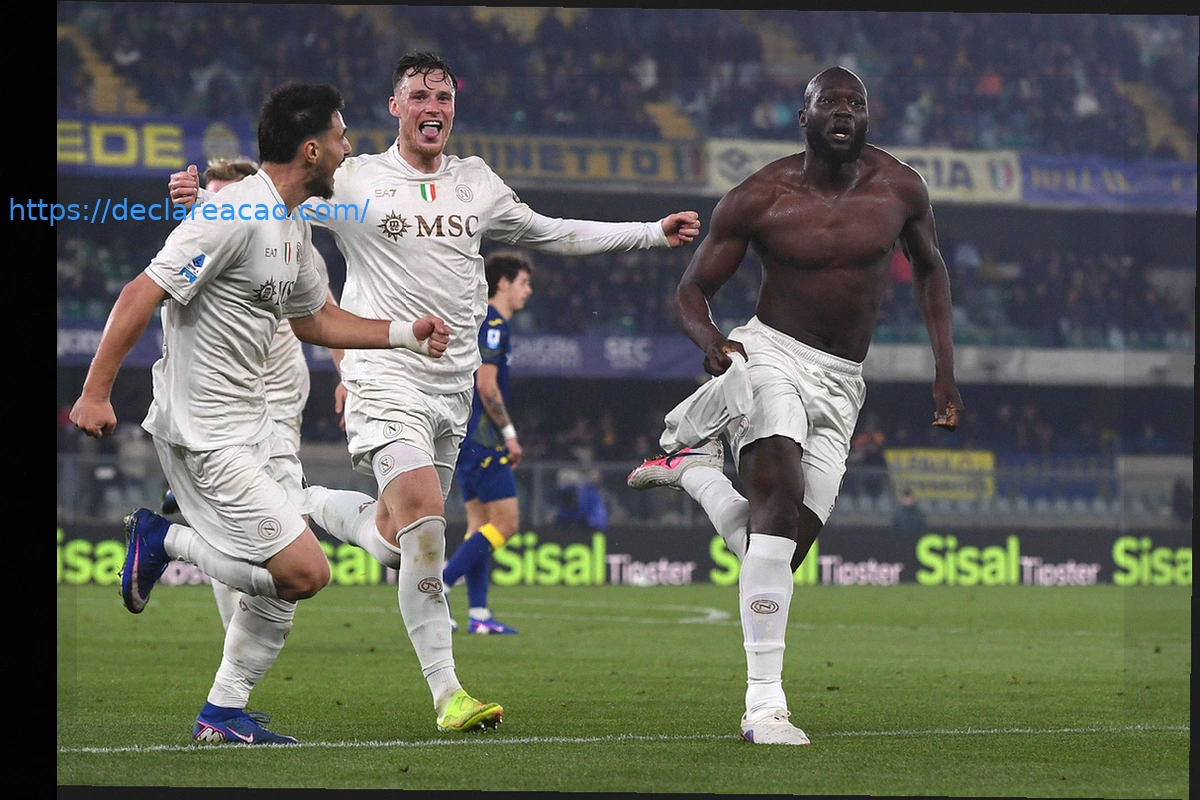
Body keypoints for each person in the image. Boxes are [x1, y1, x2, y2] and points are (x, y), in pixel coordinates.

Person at [168, 51, 700, 728]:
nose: (433, 107)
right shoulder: (354, 179)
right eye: (419, 96)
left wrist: (651, 233)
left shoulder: (476, 183)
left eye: (443, 97)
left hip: (453, 390)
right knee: (424, 519)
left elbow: (553, 232)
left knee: (400, 541)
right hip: (384, 376)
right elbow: (277, 192)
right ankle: (449, 694)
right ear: (395, 107)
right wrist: (204, 200)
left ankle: (306, 502)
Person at [70, 82, 463, 745]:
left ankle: (222, 714)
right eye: (340, 136)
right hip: (203, 433)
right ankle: (162, 539)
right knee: (306, 571)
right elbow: (141, 291)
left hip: (255, 425)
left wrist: (404, 333)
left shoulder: (293, 224)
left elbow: (316, 319)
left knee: (282, 588)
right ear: (311, 150)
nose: (347, 149)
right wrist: (95, 391)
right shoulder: (234, 213)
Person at [627, 66, 963, 745]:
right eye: (828, 101)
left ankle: (693, 469)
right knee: (776, 503)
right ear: (804, 117)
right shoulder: (759, 196)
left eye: (855, 102)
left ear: (867, 116)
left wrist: (945, 370)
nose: (843, 110)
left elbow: (931, 269)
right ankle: (764, 706)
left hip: (843, 380)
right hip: (770, 354)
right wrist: (712, 341)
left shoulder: (901, 187)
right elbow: (691, 291)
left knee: (778, 546)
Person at [161, 156, 342, 632]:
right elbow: (160, 304)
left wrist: (348, 378)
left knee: (287, 536)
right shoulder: (212, 234)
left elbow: (324, 314)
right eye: (212, 197)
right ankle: (234, 645)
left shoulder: (290, 239)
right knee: (268, 540)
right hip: (226, 410)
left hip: (278, 403)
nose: (219, 204)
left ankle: (237, 656)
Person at [441, 250, 533, 635]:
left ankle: (478, 615)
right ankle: (439, 584)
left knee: (479, 526)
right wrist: (509, 434)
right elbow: (486, 384)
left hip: (466, 438)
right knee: (506, 525)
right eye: (523, 283)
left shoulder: (481, 319)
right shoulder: (494, 323)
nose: (528, 291)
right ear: (504, 283)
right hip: (484, 439)